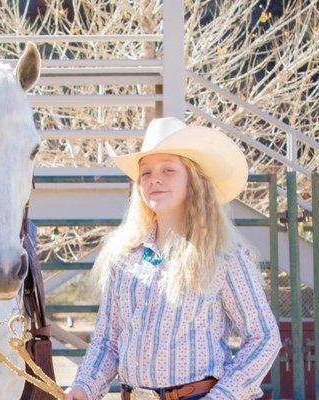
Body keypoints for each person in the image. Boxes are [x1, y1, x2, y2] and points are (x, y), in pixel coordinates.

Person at [64, 118, 282, 400]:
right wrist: (83, 387)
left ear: (194, 181)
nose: (155, 178)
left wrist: (223, 396)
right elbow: (108, 341)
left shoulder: (225, 256)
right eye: (146, 173)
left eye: (169, 170)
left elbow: (264, 337)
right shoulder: (124, 257)